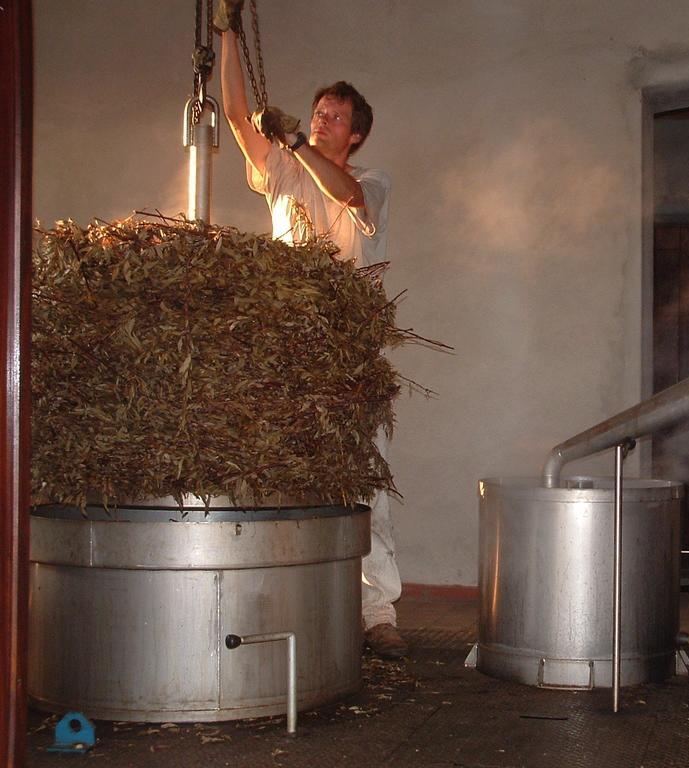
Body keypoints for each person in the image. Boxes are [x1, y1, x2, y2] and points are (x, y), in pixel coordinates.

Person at [217, 11, 408, 660]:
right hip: (286, 337)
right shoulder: (283, 168)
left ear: (354, 135)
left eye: (333, 116)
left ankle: (376, 612)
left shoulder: (369, 180)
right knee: (285, 465)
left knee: (363, 477)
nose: (321, 119)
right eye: (317, 111)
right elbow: (238, 116)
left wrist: (299, 143)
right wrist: (227, 35)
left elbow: (349, 193)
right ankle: (291, 597)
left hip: (349, 346)